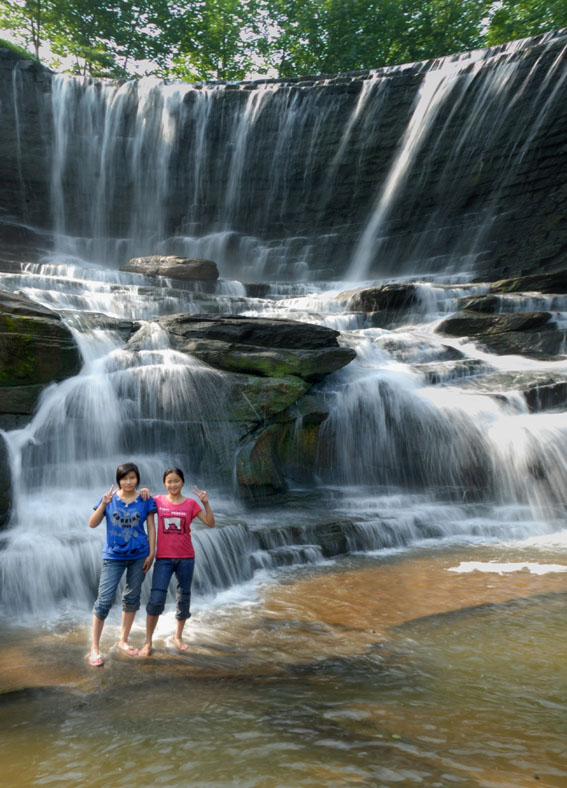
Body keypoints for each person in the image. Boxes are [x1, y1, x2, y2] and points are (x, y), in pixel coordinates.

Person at [139, 467, 215, 656]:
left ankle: (178, 636)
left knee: (184, 598)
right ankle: (148, 642)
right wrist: (143, 492)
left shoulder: (191, 504)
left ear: (183, 482)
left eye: (176, 481)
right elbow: (139, 506)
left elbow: (210, 523)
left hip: (186, 558)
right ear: (164, 483)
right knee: (156, 599)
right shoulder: (157, 500)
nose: (173, 485)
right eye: (169, 481)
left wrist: (205, 503)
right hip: (163, 559)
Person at [88, 462, 156, 667]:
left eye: (132, 478)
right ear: (118, 480)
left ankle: (123, 641)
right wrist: (103, 504)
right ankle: (94, 648)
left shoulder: (145, 499)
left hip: (139, 555)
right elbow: (92, 523)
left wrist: (152, 553)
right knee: (104, 601)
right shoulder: (109, 499)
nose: (128, 482)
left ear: (138, 479)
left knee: (132, 598)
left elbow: (151, 527)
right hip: (113, 556)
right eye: (124, 478)